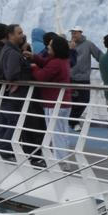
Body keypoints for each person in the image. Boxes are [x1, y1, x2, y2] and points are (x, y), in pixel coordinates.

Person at [31, 34, 74, 166]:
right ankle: (62, 160)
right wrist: (35, 58)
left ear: (56, 48)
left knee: (56, 134)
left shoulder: (56, 63)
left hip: (54, 103)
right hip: (63, 102)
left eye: (50, 46)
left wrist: (33, 66)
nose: (47, 48)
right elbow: (47, 64)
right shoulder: (61, 61)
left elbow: (41, 76)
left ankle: (59, 162)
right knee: (61, 132)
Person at [0, 24, 33, 159]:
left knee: (6, 121)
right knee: (16, 121)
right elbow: (11, 74)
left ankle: (3, 149)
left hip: (10, 92)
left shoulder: (6, 50)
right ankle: (4, 149)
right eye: (19, 33)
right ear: (10, 35)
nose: (22, 35)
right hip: (18, 93)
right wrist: (25, 72)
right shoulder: (13, 53)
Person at [68, 26, 103, 132]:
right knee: (72, 101)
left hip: (83, 78)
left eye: (75, 33)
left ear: (81, 33)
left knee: (84, 100)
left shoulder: (88, 44)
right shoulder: (68, 45)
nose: (73, 35)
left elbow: (99, 55)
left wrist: (106, 63)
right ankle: (73, 122)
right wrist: (70, 49)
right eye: (72, 33)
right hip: (71, 78)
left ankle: (72, 120)